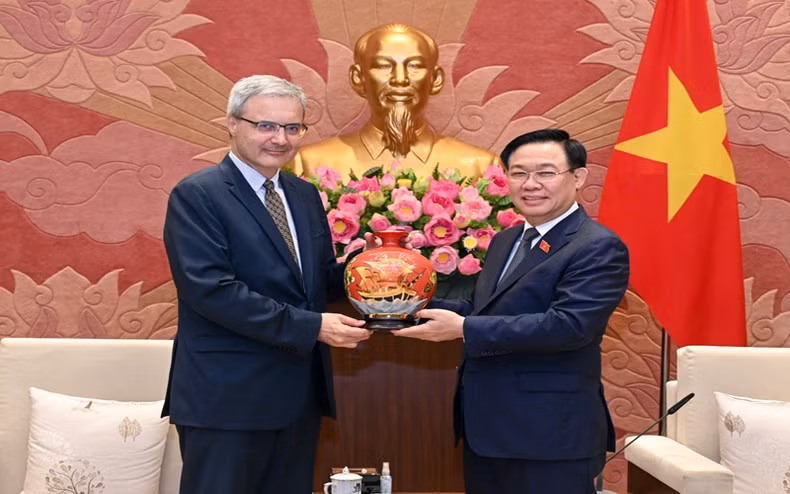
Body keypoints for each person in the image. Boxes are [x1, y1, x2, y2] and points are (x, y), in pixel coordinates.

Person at [161, 75, 374, 494]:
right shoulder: (198, 195)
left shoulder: (303, 195)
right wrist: (313, 327)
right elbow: (212, 290)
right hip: (227, 398)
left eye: (292, 128)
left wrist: (356, 271)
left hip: (297, 395)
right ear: (232, 123)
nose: (280, 138)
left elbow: (308, 285)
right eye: (266, 126)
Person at [396, 129, 630, 493]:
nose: (531, 184)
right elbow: (484, 309)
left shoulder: (597, 246)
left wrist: (464, 329)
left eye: (546, 173)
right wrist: (404, 300)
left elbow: (569, 326)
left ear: (578, 177)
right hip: (488, 429)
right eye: (519, 173)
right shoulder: (509, 239)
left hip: (550, 436)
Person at [292, 24, 497, 179]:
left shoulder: (481, 167)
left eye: (415, 66)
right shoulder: (309, 164)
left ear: (435, 80)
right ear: (358, 78)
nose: (400, 79)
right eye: (383, 66)